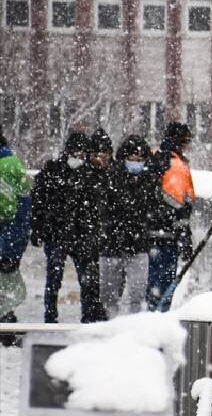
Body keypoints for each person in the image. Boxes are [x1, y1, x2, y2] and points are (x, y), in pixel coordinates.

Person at [30, 130, 108, 323]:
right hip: (58, 234)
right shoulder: (52, 172)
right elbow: (38, 202)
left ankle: (88, 317)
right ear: (68, 152)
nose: (79, 158)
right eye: (76, 154)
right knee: (54, 279)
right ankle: (50, 317)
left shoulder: (91, 175)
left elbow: (100, 206)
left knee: (88, 281)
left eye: (82, 155)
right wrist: (38, 228)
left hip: (83, 234)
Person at [100, 135, 157, 317]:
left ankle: (133, 330)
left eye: (139, 160)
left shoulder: (149, 181)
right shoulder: (111, 178)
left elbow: (154, 211)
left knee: (138, 294)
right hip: (112, 245)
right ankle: (111, 327)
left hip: (138, 246)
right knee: (109, 296)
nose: (135, 163)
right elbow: (103, 210)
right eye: (131, 159)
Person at [147, 122, 195, 312]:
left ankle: (153, 311)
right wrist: (183, 232)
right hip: (168, 233)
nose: (188, 146)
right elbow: (179, 201)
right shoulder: (175, 165)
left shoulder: (157, 157)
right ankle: (159, 315)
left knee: (153, 279)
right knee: (165, 280)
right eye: (187, 142)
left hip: (153, 231)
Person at [0, 130, 33, 331]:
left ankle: (6, 324)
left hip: (7, 236)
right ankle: (7, 323)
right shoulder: (13, 165)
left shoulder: (8, 166)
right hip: (9, 237)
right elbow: (24, 209)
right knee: (7, 285)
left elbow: (21, 209)